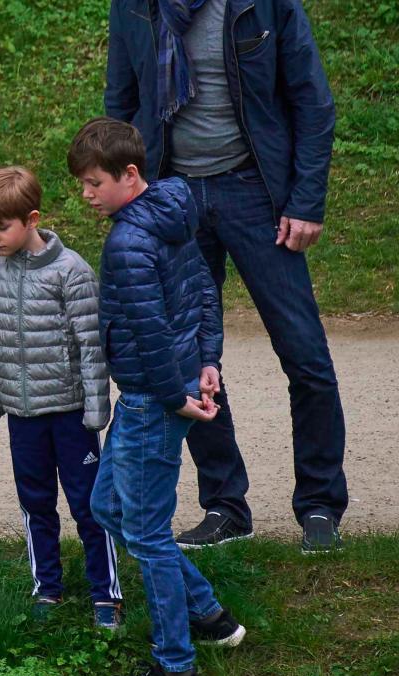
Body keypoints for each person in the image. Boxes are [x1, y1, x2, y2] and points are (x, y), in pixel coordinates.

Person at [104, 0, 346, 552]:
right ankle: (225, 506)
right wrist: (126, 203)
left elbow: (312, 101)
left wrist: (306, 200)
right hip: (173, 196)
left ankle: (319, 505)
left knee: (305, 354)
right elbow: (121, 105)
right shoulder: (133, 7)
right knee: (190, 357)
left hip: (256, 191)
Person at [69, 118, 245, 676]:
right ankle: (212, 617)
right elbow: (204, 293)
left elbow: (147, 330)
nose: (86, 194)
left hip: (152, 399)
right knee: (105, 505)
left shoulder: (127, 243)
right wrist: (208, 360)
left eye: (94, 183)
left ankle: (177, 671)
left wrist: (177, 397)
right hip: (164, 390)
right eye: (82, 184)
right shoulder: (173, 215)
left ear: (130, 175)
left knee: (146, 537)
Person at [0, 166, 123, 627]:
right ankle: (47, 589)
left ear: (32, 218)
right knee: (34, 500)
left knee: (88, 504)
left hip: (71, 415)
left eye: (2, 228)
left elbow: (91, 347)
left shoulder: (70, 272)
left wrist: (97, 409)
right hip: (24, 416)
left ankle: (106, 593)